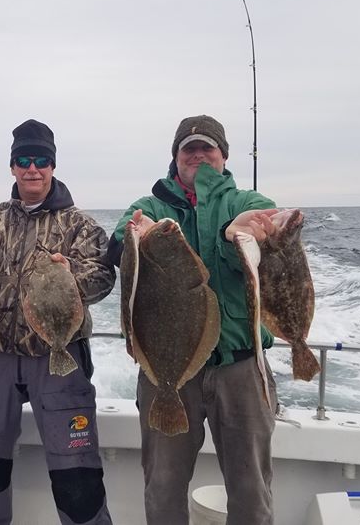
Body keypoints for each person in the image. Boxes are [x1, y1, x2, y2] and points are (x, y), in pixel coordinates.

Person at [0, 119, 116, 525]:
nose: (32, 169)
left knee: (77, 471)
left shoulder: (79, 225)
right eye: (24, 160)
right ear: (13, 167)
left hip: (59, 359)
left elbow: (103, 277)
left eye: (41, 161)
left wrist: (69, 276)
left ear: (52, 166)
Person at [105, 114, 280, 525]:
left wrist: (232, 235)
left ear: (224, 156)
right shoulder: (149, 207)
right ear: (175, 157)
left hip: (239, 366)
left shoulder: (247, 204)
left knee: (252, 490)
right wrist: (135, 236)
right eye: (190, 148)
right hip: (166, 370)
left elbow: (267, 237)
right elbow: (117, 244)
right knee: (163, 486)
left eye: (208, 148)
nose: (198, 155)